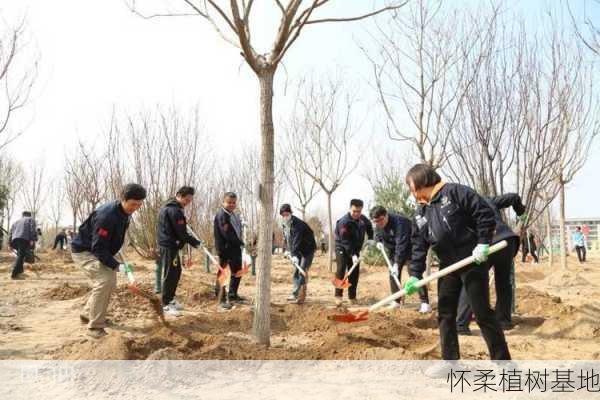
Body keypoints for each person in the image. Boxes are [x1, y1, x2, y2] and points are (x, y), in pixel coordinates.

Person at [402, 164, 510, 376]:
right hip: (447, 265)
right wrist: (414, 274)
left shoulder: (455, 192)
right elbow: (418, 245)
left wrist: (483, 242)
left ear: (419, 182)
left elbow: (485, 214)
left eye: (410, 186)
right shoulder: (421, 211)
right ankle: (450, 362)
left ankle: (504, 366)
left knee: (482, 313)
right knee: (445, 312)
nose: (410, 191)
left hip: (472, 260)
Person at [71, 183, 146, 338]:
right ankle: (95, 328)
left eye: (139, 205)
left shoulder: (124, 213)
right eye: (133, 204)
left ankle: (88, 313)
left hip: (99, 250)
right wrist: (116, 265)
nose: (135, 208)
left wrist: (116, 256)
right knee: (105, 280)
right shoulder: (107, 216)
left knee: (110, 281)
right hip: (85, 251)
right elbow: (98, 248)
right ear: (123, 199)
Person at [456, 193, 527, 335]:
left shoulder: (459, 209)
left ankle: (461, 324)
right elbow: (513, 197)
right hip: (507, 241)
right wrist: (521, 212)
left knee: (472, 281)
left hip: (488, 242)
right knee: (503, 282)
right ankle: (504, 321)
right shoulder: (486, 199)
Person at [370, 205, 431, 312]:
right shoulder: (378, 223)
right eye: (376, 221)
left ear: (386, 215)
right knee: (393, 275)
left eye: (380, 220)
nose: (379, 223)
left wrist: (397, 263)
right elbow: (377, 233)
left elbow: (401, 244)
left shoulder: (399, 222)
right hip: (394, 250)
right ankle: (396, 301)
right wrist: (378, 241)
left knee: (414, 274)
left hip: (410, 248)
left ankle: (425, 303)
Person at [157, 186, 202, 316]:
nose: (187, 202)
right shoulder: (174, 210)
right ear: (178, 195)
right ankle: (165, 304)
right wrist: (196, 243)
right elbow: (182, 233)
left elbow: (180, 230)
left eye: (189, 200)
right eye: (186, 199)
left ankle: (170, 299)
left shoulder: (173, 208)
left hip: (172, 245)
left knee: (176, 272)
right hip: (169, 246)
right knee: (170, 273)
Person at [334, 199, 374, 306]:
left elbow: (370, 228)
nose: (356, 214)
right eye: (354, 211)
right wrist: (352, 255)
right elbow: (345, 241)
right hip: (341, 247)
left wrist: (370, 239)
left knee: (354, 273)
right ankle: (338, 295)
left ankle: (352, 297)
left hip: (356, 248)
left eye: (359, 211)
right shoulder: (344, 222)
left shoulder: (363, 219)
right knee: (341, 269)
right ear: (350, 209)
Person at [280, 203, 317, 304]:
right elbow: (288, 238)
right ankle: (296, 293)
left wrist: (294, 254)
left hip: (307, 249)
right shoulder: (284, 224)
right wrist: (287, 250)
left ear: (291, 213)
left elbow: (296, 240)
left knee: (302, 270)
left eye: (287, 214)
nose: (285, 216)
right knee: (298, 270)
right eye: (283, 214)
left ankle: (300, 295)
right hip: (298, 249)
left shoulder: (298, 224)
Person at [214, 192, 245, 310]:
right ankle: (220, 299)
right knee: (223, 274)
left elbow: (237, 230)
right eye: (229, 202)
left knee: (238, 272)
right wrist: (241, 243)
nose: (232, 205)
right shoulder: (222, 215)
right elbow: (228, 234)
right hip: (226, 249)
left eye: (233, 203)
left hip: (236, 248)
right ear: (223, 202)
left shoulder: (234, 215)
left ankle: (233, 295)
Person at [7, 211, 38, 280]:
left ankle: (20, 272)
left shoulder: (16, 221)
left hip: (14, 240)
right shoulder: (31, 219)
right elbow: (32, 229)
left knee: (21, 255)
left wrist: (9, 243)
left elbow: (11, 232)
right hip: (23, 239)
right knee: (21, 256)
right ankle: (14, 274)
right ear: (29, 215)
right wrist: (33, 239)